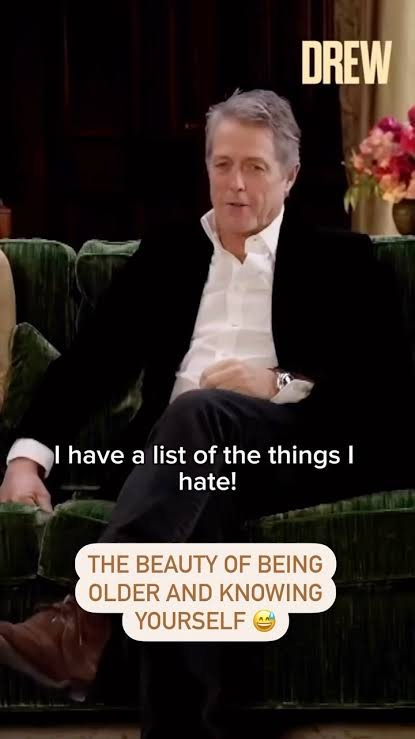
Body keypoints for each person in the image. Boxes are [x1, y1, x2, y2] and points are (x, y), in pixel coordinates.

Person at [0, 89, 413, 739]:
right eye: (222, 165)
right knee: (199, 487)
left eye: (254, 167)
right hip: (177, 462)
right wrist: (28, 457)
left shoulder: (343, 260)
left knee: (202, 417)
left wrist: (276, 382)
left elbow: (384, 390)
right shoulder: (167, 255)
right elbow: (88, 365)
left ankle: (88, 616)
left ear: (289, 176)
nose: (235, 184)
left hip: (294, 448)